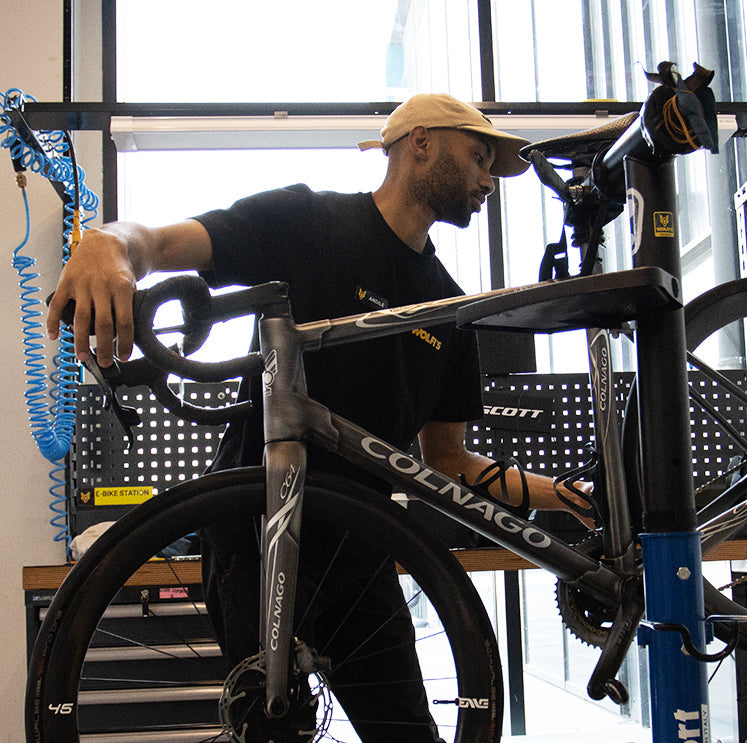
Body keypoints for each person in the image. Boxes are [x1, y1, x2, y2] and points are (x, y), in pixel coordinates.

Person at [46, 93, 591, 741]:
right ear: (419, 142)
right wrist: (106, 243)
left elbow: (449, 464)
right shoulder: (305, 220)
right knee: (277, 728)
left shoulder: (447, 310)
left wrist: (570, 498)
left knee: (408, 734)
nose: (486, 182)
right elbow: (161, 242)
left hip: (357, 548)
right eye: (478, 157)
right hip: (253, 528)